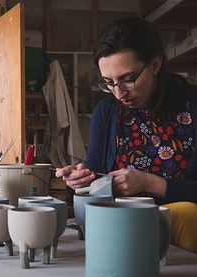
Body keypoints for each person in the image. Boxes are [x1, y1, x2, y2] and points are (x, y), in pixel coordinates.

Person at [56, 17, 197, 254]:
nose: (119, 93)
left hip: (184, 234)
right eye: (109, 83)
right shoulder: (107, 111)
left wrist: (150, 183)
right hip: (123, 232)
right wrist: (80, 180)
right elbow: (96, 179)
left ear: (155, 64)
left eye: (128, 79)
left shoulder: (192, 105)